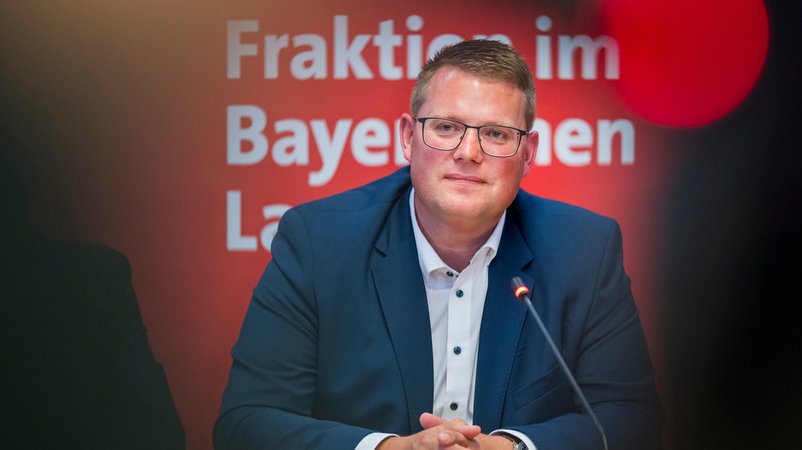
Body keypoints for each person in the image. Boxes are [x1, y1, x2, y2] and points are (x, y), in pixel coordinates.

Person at [215, 39, 661, 450]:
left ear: (528, 154)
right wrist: (391, 449)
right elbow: (247, 424)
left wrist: (511, 448)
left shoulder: (584, 249)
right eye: (447, 127)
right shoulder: (318, 241)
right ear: (409, 137)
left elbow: (631, 420)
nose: (468, 152)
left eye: (497, 134)